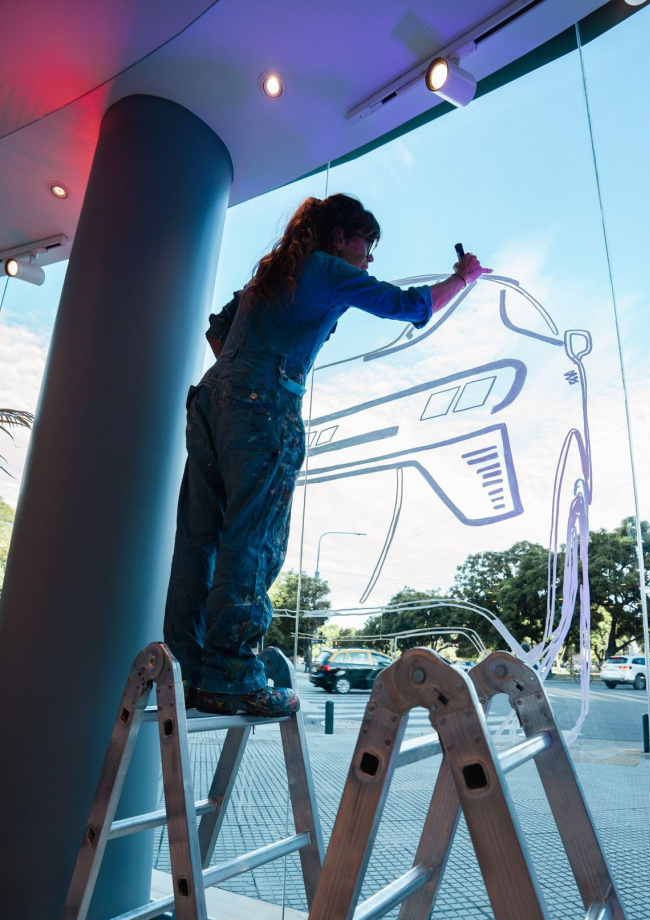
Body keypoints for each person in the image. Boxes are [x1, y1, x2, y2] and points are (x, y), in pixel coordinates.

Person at [164, 193, 490, 717]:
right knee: (254, 537)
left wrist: (243, 378)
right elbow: (409, 306)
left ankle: (187, 674)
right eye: (367, 243)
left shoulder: (270, 276)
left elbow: (216, 332)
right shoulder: (326, 269)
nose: (370, 257)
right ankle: (233, 677)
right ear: (341, 236)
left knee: (200, 539)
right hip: (263, 404)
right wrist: (463, 278)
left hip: (209, 401)